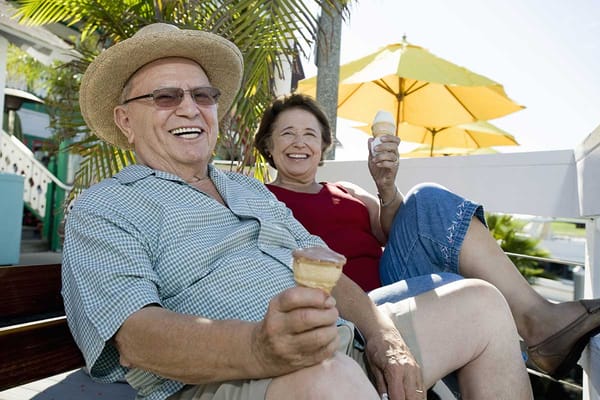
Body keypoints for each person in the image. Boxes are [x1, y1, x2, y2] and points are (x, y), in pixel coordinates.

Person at [62, 23, 533, 400]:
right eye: (166, 97)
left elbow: (326, 267)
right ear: (126, 120)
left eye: (202, 95)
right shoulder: (106, 208)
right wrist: (259, 348)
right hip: (234, 377)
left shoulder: (249, 191)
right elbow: (135, 337)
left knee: (482, 305)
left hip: (341, 342)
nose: (190, 109)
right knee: (330, 379)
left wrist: (384, 336)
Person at [253, 92, 600, 380]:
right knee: (458, 290)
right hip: (345, 313)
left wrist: (385, 187)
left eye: (310, 134)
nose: (299, 143)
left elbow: (393, 232)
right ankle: (536, 329)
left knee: (426, 197)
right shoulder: (258, 198)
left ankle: (537, 318)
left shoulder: (349, 192)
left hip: (393, 288)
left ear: (324, 145)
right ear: (268, 144)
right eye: (287, 133)